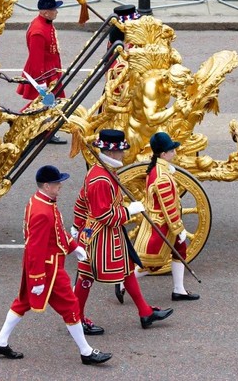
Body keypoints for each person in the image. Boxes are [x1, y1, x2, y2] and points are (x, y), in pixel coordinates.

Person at [0, 165, 110, 365]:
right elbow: (35, 248)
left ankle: (0, 342)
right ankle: (86, 352)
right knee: (71, 306)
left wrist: (74, 247)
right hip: (49, 270)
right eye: (56, 183)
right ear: (46, 185)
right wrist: (37, 279)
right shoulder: (42, 212)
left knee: (22, 303)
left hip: (46, 266)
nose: (60, 186)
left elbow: (58, 230)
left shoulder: (41, 202)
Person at [72, 129, 173, 329]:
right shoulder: (101, 179)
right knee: (87, 276)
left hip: (97, 232)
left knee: (125, 268)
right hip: (101, 235)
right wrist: (129, 211)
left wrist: (77, 225)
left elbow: (81, 201)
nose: (123, 154)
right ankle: (76, 318)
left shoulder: (100, 170)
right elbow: (105, 215)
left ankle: (145, 312)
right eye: (120, 152)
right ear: (111, 153)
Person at [129, 132, 200, 301]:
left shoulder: (159, 169)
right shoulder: (162, 176)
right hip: (163, 223)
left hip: (162, 221)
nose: (174, 152)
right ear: (163, 154)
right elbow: (168, 207)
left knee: (180, 251)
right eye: (171, 150)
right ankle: (124, 282)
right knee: (152, 264)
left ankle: (179, 289)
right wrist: (179, 228)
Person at [17, 0, 66, 143]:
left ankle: (39, 128)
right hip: (43, 72)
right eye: (53, 10)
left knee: (45, 103)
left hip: (51, 69)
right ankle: (43, 131)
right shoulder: (38, 31)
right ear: (45, 13)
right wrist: (42, 83)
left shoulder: (45, 23)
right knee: (46, 103)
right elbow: (36, 59)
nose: (56, 12)